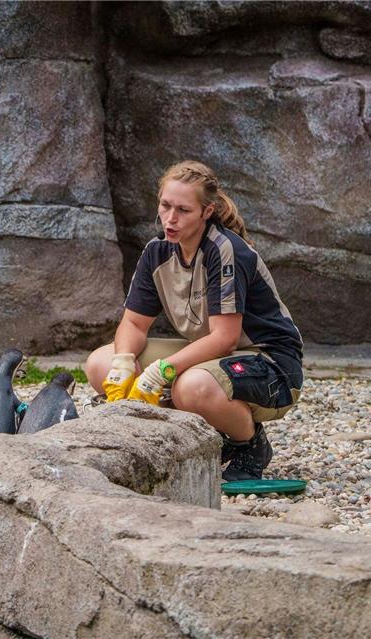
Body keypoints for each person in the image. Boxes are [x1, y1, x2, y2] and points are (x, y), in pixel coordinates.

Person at [85, 160, 303, 481]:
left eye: (184, 210)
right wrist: (123, 361)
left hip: (270, 364)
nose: (171, 219)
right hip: (216, 360)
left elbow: (224, 338)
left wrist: (162, 370)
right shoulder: (157, 251)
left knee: (192, 387)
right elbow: (133, 325)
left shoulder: (224, 249)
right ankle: (202, 433)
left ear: (207, 211)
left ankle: (249, 443)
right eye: (165, 206)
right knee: (100, 364)